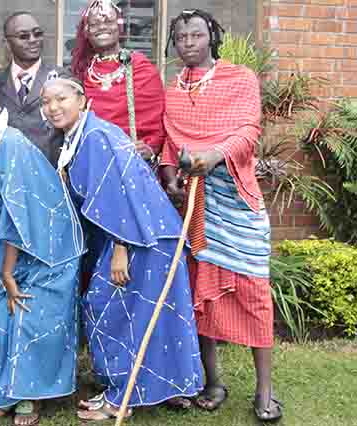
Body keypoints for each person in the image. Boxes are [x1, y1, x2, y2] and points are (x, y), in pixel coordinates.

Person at [40, 69, 204, 421]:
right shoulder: (79, 136)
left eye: (61, 98)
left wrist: (119, 248)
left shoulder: (96, 136)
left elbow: (117, 194)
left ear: (82, 100)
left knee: (111, 307)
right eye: (46, 102)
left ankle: (122, 398)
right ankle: (127, 390)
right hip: (140, 234)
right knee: (134, 315)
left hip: (141, 237)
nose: (53, 107)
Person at [160, 9, 281, 422]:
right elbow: (169, 142)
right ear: (173, 44)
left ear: (211, 36)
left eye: (197, 34)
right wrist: (171, 175)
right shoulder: (172, 90)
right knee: (201, 293)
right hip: (197, 203)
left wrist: (213, 155)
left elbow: (249, 130)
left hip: (238, 201)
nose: (189, 42)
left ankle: (265, 390)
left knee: (254, 294)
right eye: (181, 37)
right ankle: (213, 380)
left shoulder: (240, 78)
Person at [0, 74, 85, 426]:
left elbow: (18, 210)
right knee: (0, 312)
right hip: (10, 241)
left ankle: (30, 397)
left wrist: (7, 272)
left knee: (29, 315)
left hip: (46, 243)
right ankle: (9, 392)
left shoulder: (11, 144)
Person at [70, 0, 166, 162]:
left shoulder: (142, 68)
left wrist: (149, 148)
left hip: (133, 162)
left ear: (119, 27)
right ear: (86, 31)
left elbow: (157, 125)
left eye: (108, 21)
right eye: (94, 24)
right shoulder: (81, 72)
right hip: (92, 160)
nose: (102, 27)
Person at [0, 11, 61, 166]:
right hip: (3, 177)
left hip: (49, 177)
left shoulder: (63, 79)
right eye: (23, 36)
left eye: (37, 34)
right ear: (6, 43)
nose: (33, 40)